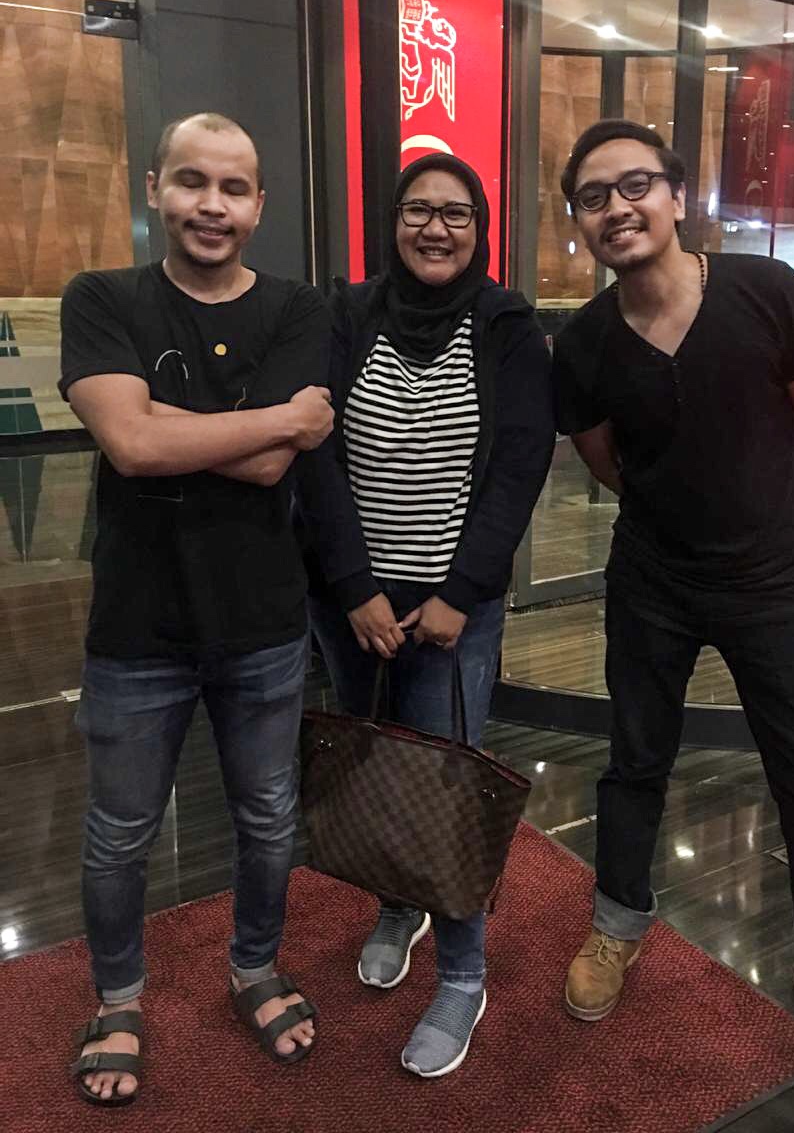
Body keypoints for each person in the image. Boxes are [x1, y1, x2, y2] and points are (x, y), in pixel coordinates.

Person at [553, 118, 794, 1068]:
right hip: (653, 580)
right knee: (635, 760)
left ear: (677, 195)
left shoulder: (765, 289)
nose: (616, 208)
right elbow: (606, 464)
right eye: (593, 197)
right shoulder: (584, 342)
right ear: (580, 224)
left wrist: (778, 526)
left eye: (635, 184)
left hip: (775, 580)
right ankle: (617, 926)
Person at [59, 113, 335, 1106]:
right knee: (119, 831)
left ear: (259, 205)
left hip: (263, 625)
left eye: (232, 188)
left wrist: (158, 420)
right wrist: (277, 418)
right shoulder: (101, 297)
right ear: (155, 190)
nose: (211, 205)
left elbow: (263, 467)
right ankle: (118, 999)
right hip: (137, 629)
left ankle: (254, 965)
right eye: (191, 181)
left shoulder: (299, 308)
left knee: (268, 816)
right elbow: (133, 447)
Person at [297, 152, 554, 1078]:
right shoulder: (346, 313)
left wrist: (459, 596)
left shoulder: (508, 326)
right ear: (392, 221)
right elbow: (314, 454)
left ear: (479, 228)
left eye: (455, 213)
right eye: (417, 210)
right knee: (373, 762)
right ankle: (396, 906)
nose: (435, 228)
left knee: (446, 786)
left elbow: (521, 465)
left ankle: (462, 975)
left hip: (455, 609)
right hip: (352, 602)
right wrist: (354, 589)